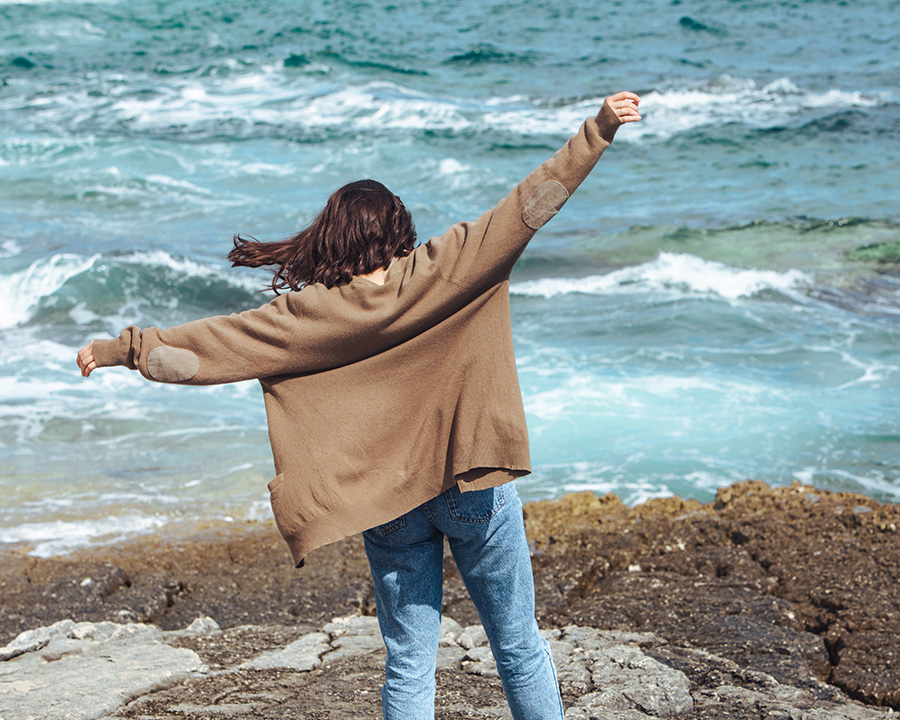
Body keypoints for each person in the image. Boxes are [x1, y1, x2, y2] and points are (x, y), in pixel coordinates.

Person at [77, 91, 641, 719]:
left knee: (408, 663)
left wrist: (117, 350)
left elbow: (207, 349)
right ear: (399, 230)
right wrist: (600, 129)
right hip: (468, 484)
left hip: (387, 502)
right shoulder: (446, 268)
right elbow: (532, 204)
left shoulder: (306, 316)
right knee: (517, 646)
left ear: (331, 236)